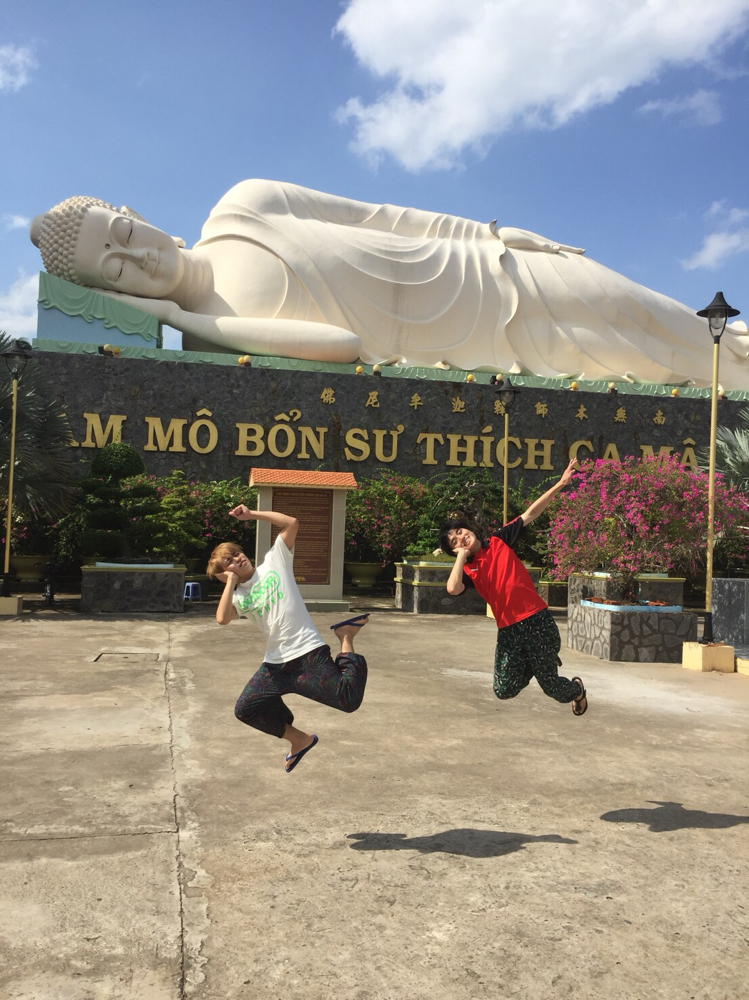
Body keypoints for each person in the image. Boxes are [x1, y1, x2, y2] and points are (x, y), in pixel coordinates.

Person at [29, 180, 749, 387]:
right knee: (664, 366)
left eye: (126, 237)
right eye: (116, 271)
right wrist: (184, 318)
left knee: (656, 312)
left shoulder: (243, 204)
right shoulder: (221, 320)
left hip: (483, 270)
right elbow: (339, 345)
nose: (140, 259)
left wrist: (489, 234)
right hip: (478, 347)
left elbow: (386, 216)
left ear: (140, 215)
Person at [208, 504, 369, 772]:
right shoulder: (237, 596)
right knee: (246, 709)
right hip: (276, 665)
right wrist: (230, 583)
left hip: (307, 654)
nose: (237, 560)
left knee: (348, 700)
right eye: (230, 562)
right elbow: (222, 619)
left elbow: (292, 523)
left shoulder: (274, 560)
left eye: (236, 554)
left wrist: (252, 515)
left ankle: (346, 637)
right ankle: (300, 740)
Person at [439, 458, 587, 716]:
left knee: (551, 687)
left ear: (469, 528)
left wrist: (561, 483)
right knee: (503, 689)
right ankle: (537, 660)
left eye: (461, 531)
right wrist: (462, 557)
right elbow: (452, 589)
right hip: (509, 631)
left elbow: (531, 513)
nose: (461, 537)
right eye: (454, 541)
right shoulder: (467, 571)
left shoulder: (498, 540)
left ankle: (576, 690)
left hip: (536, 620)